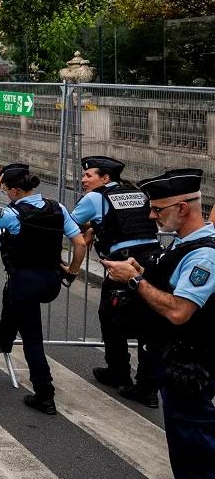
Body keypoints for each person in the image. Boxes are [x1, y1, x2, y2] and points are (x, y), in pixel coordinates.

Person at [101, 169, 215, 479]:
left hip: (191, 369)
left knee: (196, 460)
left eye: (158, 209)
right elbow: (165, 283)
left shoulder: (204, 254)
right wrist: (138, 271)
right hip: (175, 363)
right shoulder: (182, 245)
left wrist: (135, 281)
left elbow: (179, 311)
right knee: (186, 455)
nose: (151, 215)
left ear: (182, 208)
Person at [0, 164, 86, 415]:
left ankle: (44, 395)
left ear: (15, 191)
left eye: (6, 190)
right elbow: (79, 243)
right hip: (50, 281)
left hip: (25, 281)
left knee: (32, 338)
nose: (5, 194)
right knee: (12, 299)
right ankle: (4, 336)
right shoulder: (57, 208)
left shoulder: (13, 214)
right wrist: (72, 271)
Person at [71, 155, 162, 407]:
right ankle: (148, 387)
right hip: (152, 262)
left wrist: (89, 229)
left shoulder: (95, 198)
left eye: (89, 175)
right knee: (148, 323)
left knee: (110, 318)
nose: (83, 179)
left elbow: (71, 223)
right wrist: (96, 226)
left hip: (122, 266)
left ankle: (118, 372)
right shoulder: (137, 193)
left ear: (105, 178)